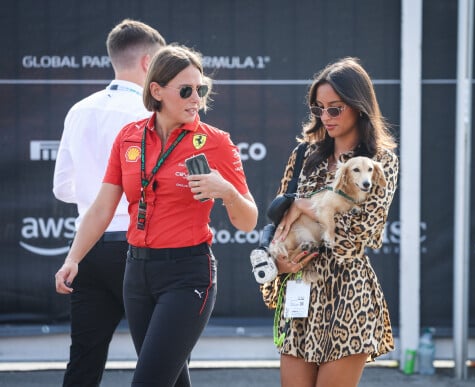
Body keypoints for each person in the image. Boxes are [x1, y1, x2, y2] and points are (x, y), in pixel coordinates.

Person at [55, 43, 258, 386]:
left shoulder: (216, 142)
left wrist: (226, 191)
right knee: (172, 380)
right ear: (157, 90)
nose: (196, 99)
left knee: (148, 381)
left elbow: (248, 219)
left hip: (187, 275)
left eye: (201, 89)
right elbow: (103, 207)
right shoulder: (129, 137)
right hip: (136, 273)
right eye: (186, 90)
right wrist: (74, 258)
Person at [261, 57, 399, 387]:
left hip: (347, 294)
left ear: (358, 106)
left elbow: (360, 234)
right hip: (298, 292)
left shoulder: (380, 162)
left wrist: (307, 206)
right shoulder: (302, 156)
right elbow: (284, 224)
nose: (326, 117)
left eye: (335, 108)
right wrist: (277, 266)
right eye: (319, 108)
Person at [52, 19, 166, 387]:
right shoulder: (151, 115)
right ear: (149, 63)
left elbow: (62, 188)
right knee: (161, 360)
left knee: (84, 360)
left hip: (87, 249)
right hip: (139, 248)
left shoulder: (79, 110)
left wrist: (93, 197)